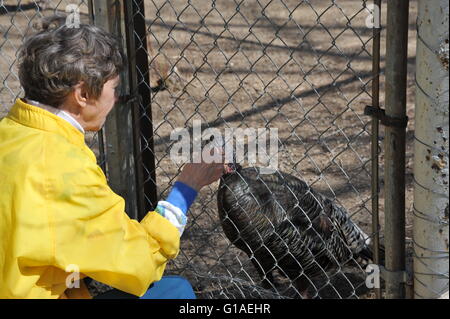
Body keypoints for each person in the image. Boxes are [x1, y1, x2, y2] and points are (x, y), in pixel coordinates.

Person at [0, 22, 225, 299]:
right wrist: (186, 187)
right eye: (114, 87)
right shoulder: (64, 169)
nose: (116, 98)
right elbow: (139, 263)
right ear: (82, 95)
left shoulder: (9, 133)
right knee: (175, 292)